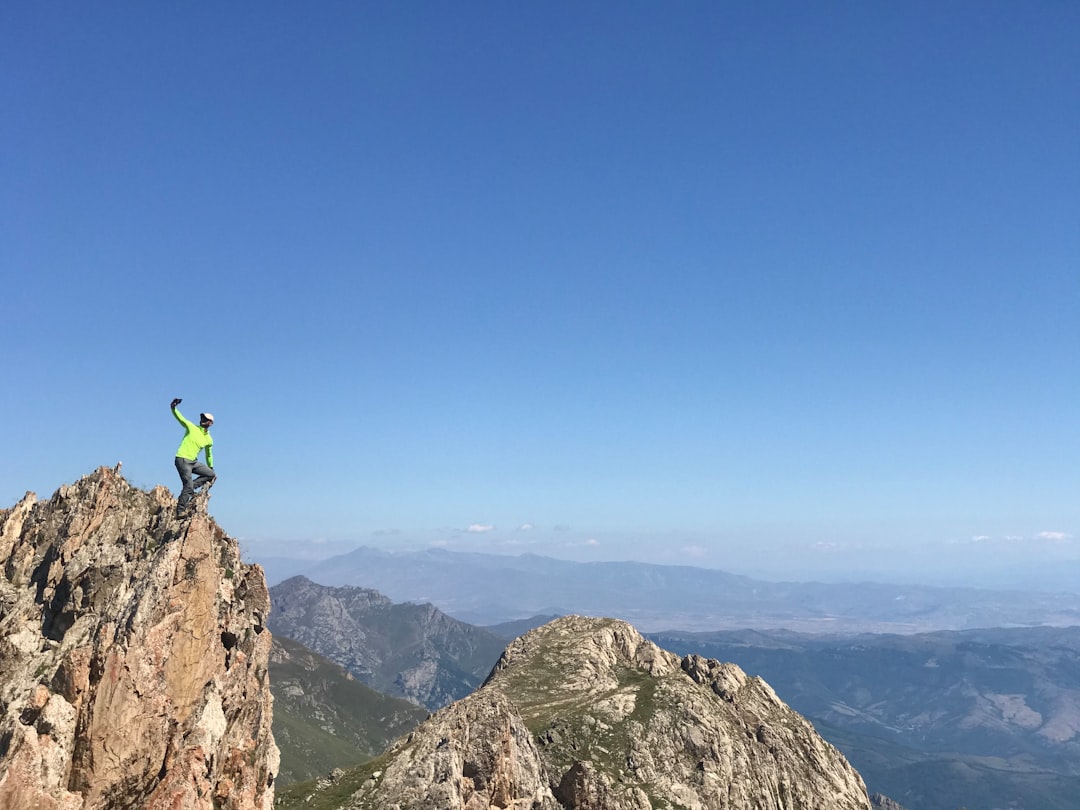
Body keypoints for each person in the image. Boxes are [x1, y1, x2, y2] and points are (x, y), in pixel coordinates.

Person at [170, 397, 216, 517]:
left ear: (210, 423)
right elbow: (181, 419)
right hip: (182, 459)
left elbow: (209, 454)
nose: (202, 420)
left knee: (211, 475)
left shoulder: (208, 439)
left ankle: (189, 489)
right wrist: (173, 408)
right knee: (188, 485)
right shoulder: (192, 427)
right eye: (201, 418)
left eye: (205, 419)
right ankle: (180, 511)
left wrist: (211, 466)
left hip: (193, 462)